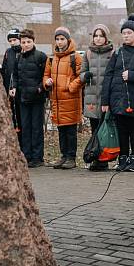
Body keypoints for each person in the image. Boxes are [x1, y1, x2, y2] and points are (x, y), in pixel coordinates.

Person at [101, 14, 134, 172]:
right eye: (124, 33)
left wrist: (132, 75)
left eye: (129, 33)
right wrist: (105, 101)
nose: (126, 36)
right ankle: (123, 157)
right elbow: (108, 76)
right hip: (117, 98)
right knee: (121, 129)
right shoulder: (117, 53)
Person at [44, 27, 83, 169]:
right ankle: (63, 156)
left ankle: (71, 157)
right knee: (61, 129)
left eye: (62, 39)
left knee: (70, 130)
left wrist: (70, 87)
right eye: (57, 39)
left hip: (70, 99)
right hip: (57, 100)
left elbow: (81, 76)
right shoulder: (52, 58)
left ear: (68, 40)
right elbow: (46, 75)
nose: (59, 42)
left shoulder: (75, 57)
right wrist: (46, 83)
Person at [10, 29, 48, 168]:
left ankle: (38, 157)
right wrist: (13, 87)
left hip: (37, 98)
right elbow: (15, 75)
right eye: (23, 42)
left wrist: (40, 88)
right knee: (25, 127)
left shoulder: (40, 56)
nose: (26, 44)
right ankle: (27, 156)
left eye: (28, 42)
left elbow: (45, 75)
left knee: (36, 128)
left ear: (33, 41)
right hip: (23, 98)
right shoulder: (18, 58)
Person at [80, 24, 115, 171]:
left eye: (101, 36)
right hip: (91, 97)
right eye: (96, 36)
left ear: (106, 38)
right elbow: (82, 73)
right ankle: (96, 157)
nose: (98, 38)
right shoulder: (88, 53)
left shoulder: (113, 53)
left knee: (104, 129)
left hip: (106, 97)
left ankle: (103, 159)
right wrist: (85, 76)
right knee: (95, 129)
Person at [0, 28, 23, 147]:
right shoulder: (8, 53)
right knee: (12, 118)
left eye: (15, 39)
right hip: (9, 91)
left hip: (20, 92)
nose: (13, 42)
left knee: (21, 119)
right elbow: (4, 71)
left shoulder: (23, 52)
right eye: (10, 40)